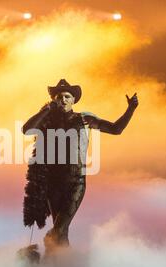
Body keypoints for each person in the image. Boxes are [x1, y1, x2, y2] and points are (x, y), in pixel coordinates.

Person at [22, 79, 139, 257]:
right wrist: (45, 110)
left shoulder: (84, 119)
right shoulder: (47, 121)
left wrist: (131, 109)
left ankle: (59, 266)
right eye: (58, 97)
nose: (62, 99)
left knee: (58, 231)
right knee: (61, 233)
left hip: (75, 183)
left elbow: (116, 129)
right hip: (52, 185)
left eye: (67, 96)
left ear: (74, 100)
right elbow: (27, 130)